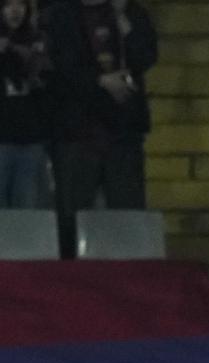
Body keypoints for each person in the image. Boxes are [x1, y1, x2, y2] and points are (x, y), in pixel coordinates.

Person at [45, 0, 157, 258]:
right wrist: (99, 82)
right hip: (77, 134)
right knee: (71, 217)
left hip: (123, 134)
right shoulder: (60, 15)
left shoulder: (131, 12)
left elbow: (146, 56)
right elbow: (58, 69)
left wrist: (123, 21)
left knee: (127, 216)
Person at [0, 0, 51, 209]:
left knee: (26, 211)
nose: (15, 11)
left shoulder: (38, 42)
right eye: (8, 5)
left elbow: (49, 84)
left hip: (30, 139)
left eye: (20, 4)